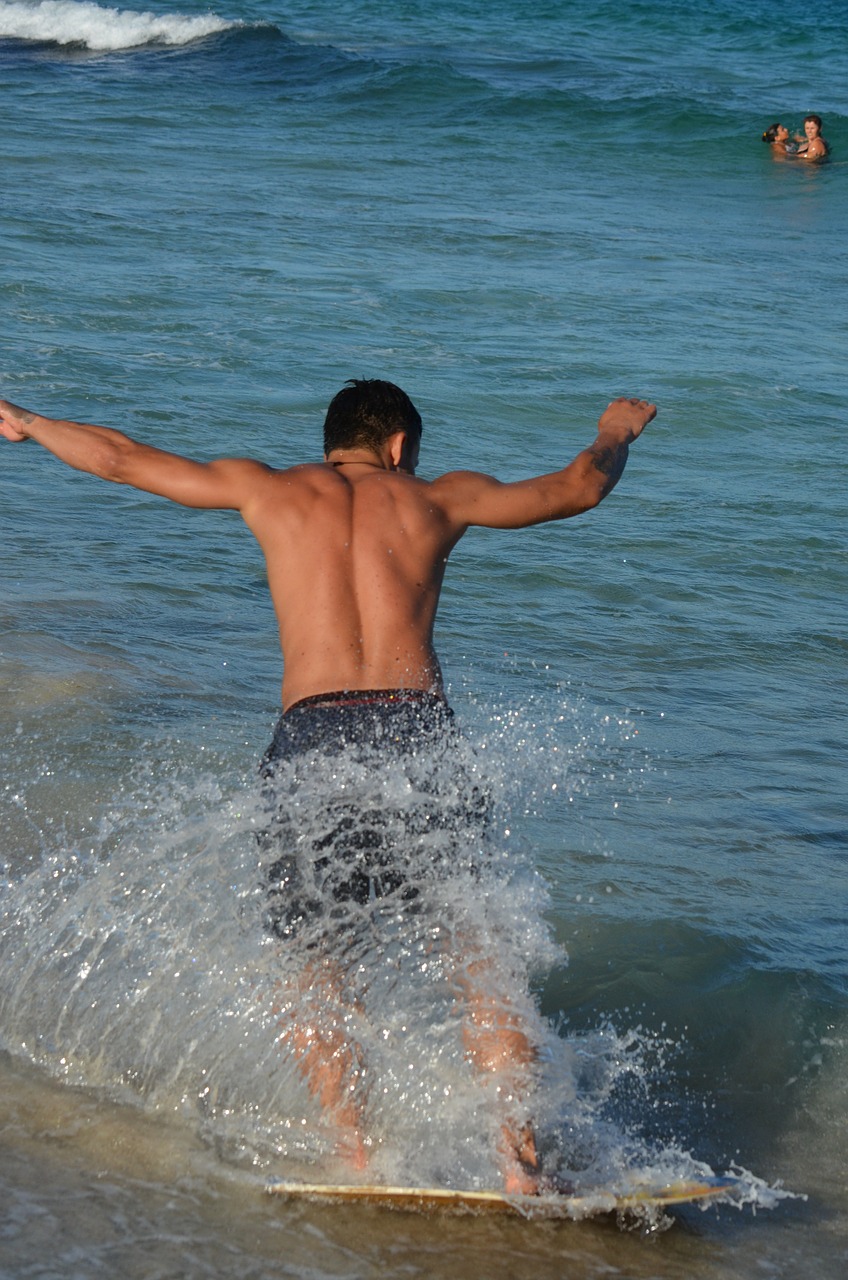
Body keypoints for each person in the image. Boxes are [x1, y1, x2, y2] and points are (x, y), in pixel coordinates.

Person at [0, 382, 655, 1192]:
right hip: (414, 733)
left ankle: (353, 1153)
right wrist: (614, 432)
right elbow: (576, 488)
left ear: (333, 442)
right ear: (400, 448)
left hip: (312, 738)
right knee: (474, 954)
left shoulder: (268, 490)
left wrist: (29, 422)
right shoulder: (437, 499)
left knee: (317, 961)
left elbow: (122, 461)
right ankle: (518, 1161)